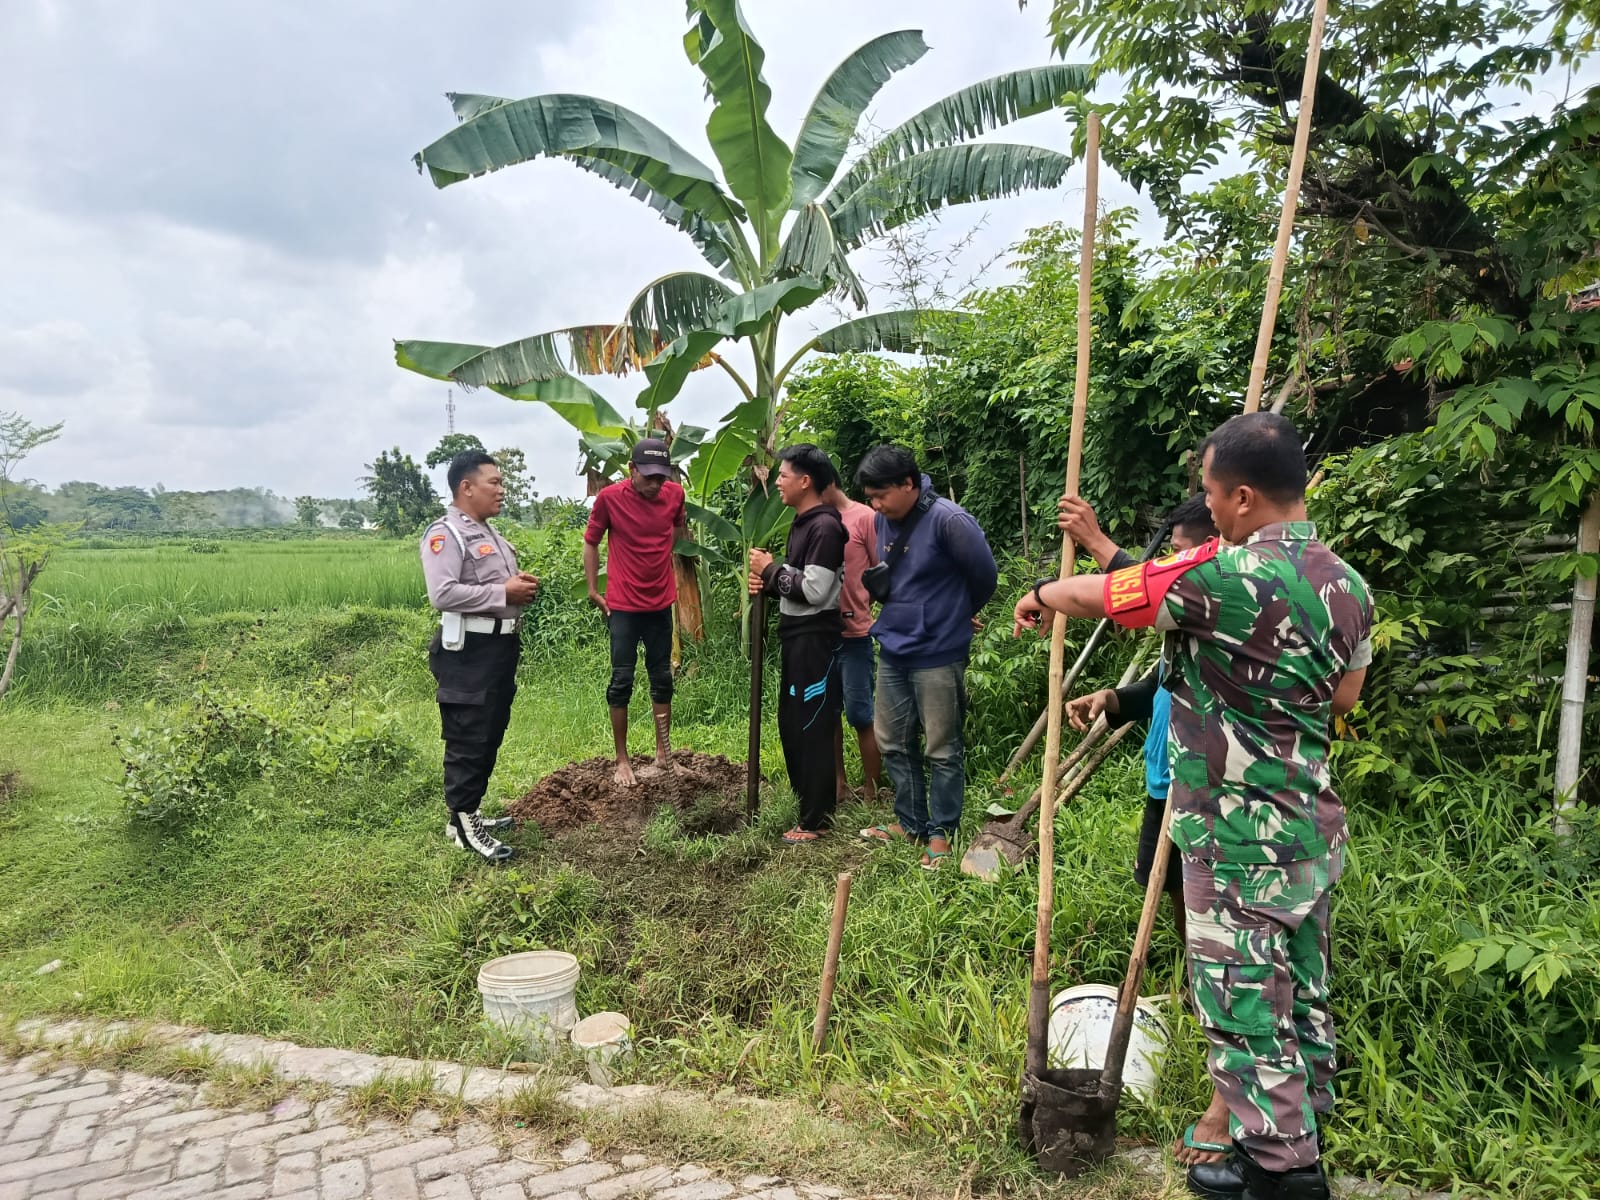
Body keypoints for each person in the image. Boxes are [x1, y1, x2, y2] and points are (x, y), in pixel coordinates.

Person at [1012, 413, 1372, 1200]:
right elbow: (1345, 694)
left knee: (1242, 1005)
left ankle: (1282, 1172)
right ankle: (1295, 1131)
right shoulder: (1348, 584)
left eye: (1210, 492)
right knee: (1301, 992)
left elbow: (1107, 595)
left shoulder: (1219, 575)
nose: (1206, 506)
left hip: (1236, 831)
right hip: (1308, 825)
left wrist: (1039, 593)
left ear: (1242, 496)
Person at [1060, 492, 1229, 1167]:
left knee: (1207, 899)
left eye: (1182, 552)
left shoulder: (1220, 597)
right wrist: (1113, 698)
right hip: (1165, 778)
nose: (1174, 563)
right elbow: (1163, 678)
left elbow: (1130, 589)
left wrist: (1097, 545)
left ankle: (1211, 997)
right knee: (1172, 891)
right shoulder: (1188, 622)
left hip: (1202, 782)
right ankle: (1194, 980)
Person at [854, 445, 998, 870]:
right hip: (894, 646)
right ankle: (910, 821)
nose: (875, 506)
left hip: (938, 651)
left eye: (881, 495)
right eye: (870, 497)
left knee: (941, 747)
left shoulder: (949, 520)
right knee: (892, 741)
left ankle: (941, 832)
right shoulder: (882, 519)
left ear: (908, 484)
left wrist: (956, 612)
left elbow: (985, 576)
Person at [420, 451, 540, 863]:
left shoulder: (490, 534)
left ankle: (467, 813)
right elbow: (442, 593)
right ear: (466, 487)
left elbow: (491, 585)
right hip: (468, 652)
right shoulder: (446, 534)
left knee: (489, 730)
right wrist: (503, 592)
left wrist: (516, 585)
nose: (502, 490)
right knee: (468, 735)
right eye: (495, 482)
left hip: (499, 648)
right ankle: (463, 824)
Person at [748, 445, 847, 844]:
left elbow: (816, 590)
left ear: (805, 481)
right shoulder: (802, 523)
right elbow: (795, 582)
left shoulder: (824, 527)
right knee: (793, 724)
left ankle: (817, 820)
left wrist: (770, 570)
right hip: (796, 637)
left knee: (811, 725)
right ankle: (808, 809)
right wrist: (769, 580)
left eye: (784, 475)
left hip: (815, 641)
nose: (777, 482)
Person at [584, 438, 687, 787]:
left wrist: (657, 565)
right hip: (624, 607)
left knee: (662, 679)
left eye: (661, 477)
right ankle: (622, 760)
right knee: (621, 681)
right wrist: (594, 590)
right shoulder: (609, 498)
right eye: (648, 476)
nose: (655, 484)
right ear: (631, 469)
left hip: (660, 604)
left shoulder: (675, 495)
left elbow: (675, 532)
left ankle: (664, 755)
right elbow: (591, 541)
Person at [821, 476, 883, 805]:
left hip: (855, 635)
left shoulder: (864, 518)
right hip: (820, 636)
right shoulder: (812, 518)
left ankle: (872, 790)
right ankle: (839, 784)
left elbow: (881, 571)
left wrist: (863, 603)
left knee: (860, 715)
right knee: (828, 714)